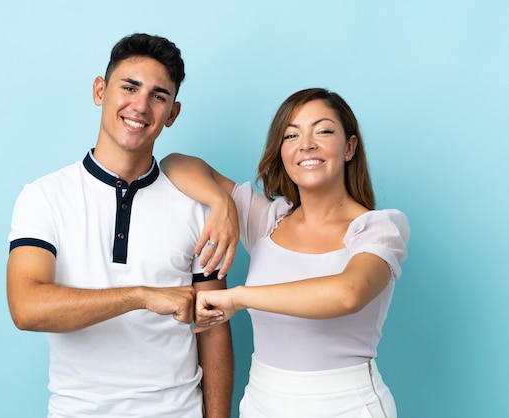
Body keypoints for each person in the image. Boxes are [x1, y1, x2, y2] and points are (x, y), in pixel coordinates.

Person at [6, 33, 233, 418]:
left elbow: (213, 328)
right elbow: (27, 308)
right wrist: (141, 296)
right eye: (129, 87)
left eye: (158, 96)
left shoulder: (197, 205)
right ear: (100, 90)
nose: (140, 106)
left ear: (172, 113)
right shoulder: (44, 196)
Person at [160, 88, 410, 417]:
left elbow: (348, 293)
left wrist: (238, 297)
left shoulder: (378, 228)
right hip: (263, 401)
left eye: (323, 130)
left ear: (349, 147)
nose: (306, 144)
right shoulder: (268, 219)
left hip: (347, 404)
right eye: (291, 135)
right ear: (282, 152)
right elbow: (174, 163)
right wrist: (221, 201)